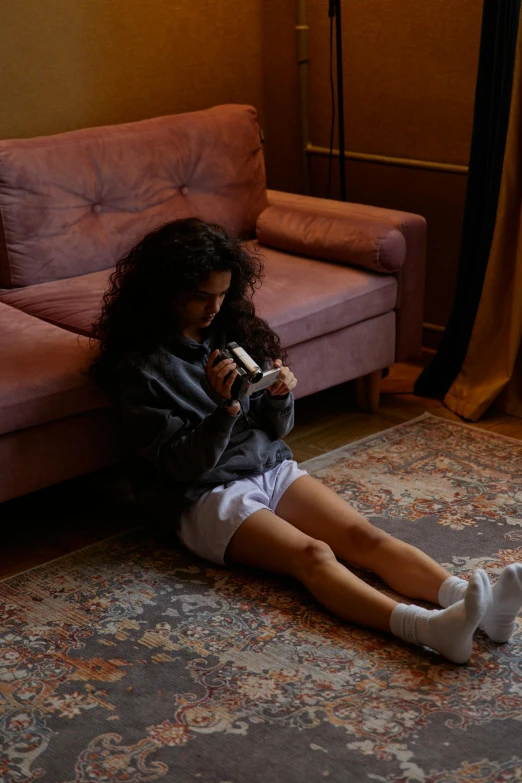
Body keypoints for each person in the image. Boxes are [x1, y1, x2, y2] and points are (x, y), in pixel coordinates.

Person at [90, 217, 522, 664]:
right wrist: (226, 411)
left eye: (222, 293)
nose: (214, 307)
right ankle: (427, 629)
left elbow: (277, 430)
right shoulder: (141, 368)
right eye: (201, 296)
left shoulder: (228, 330)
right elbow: (181, 466)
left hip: (268, 464)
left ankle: (480, 608)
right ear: (166, 289)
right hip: (204, 495)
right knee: (312, 555)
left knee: (363, 536)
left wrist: (279, 396)